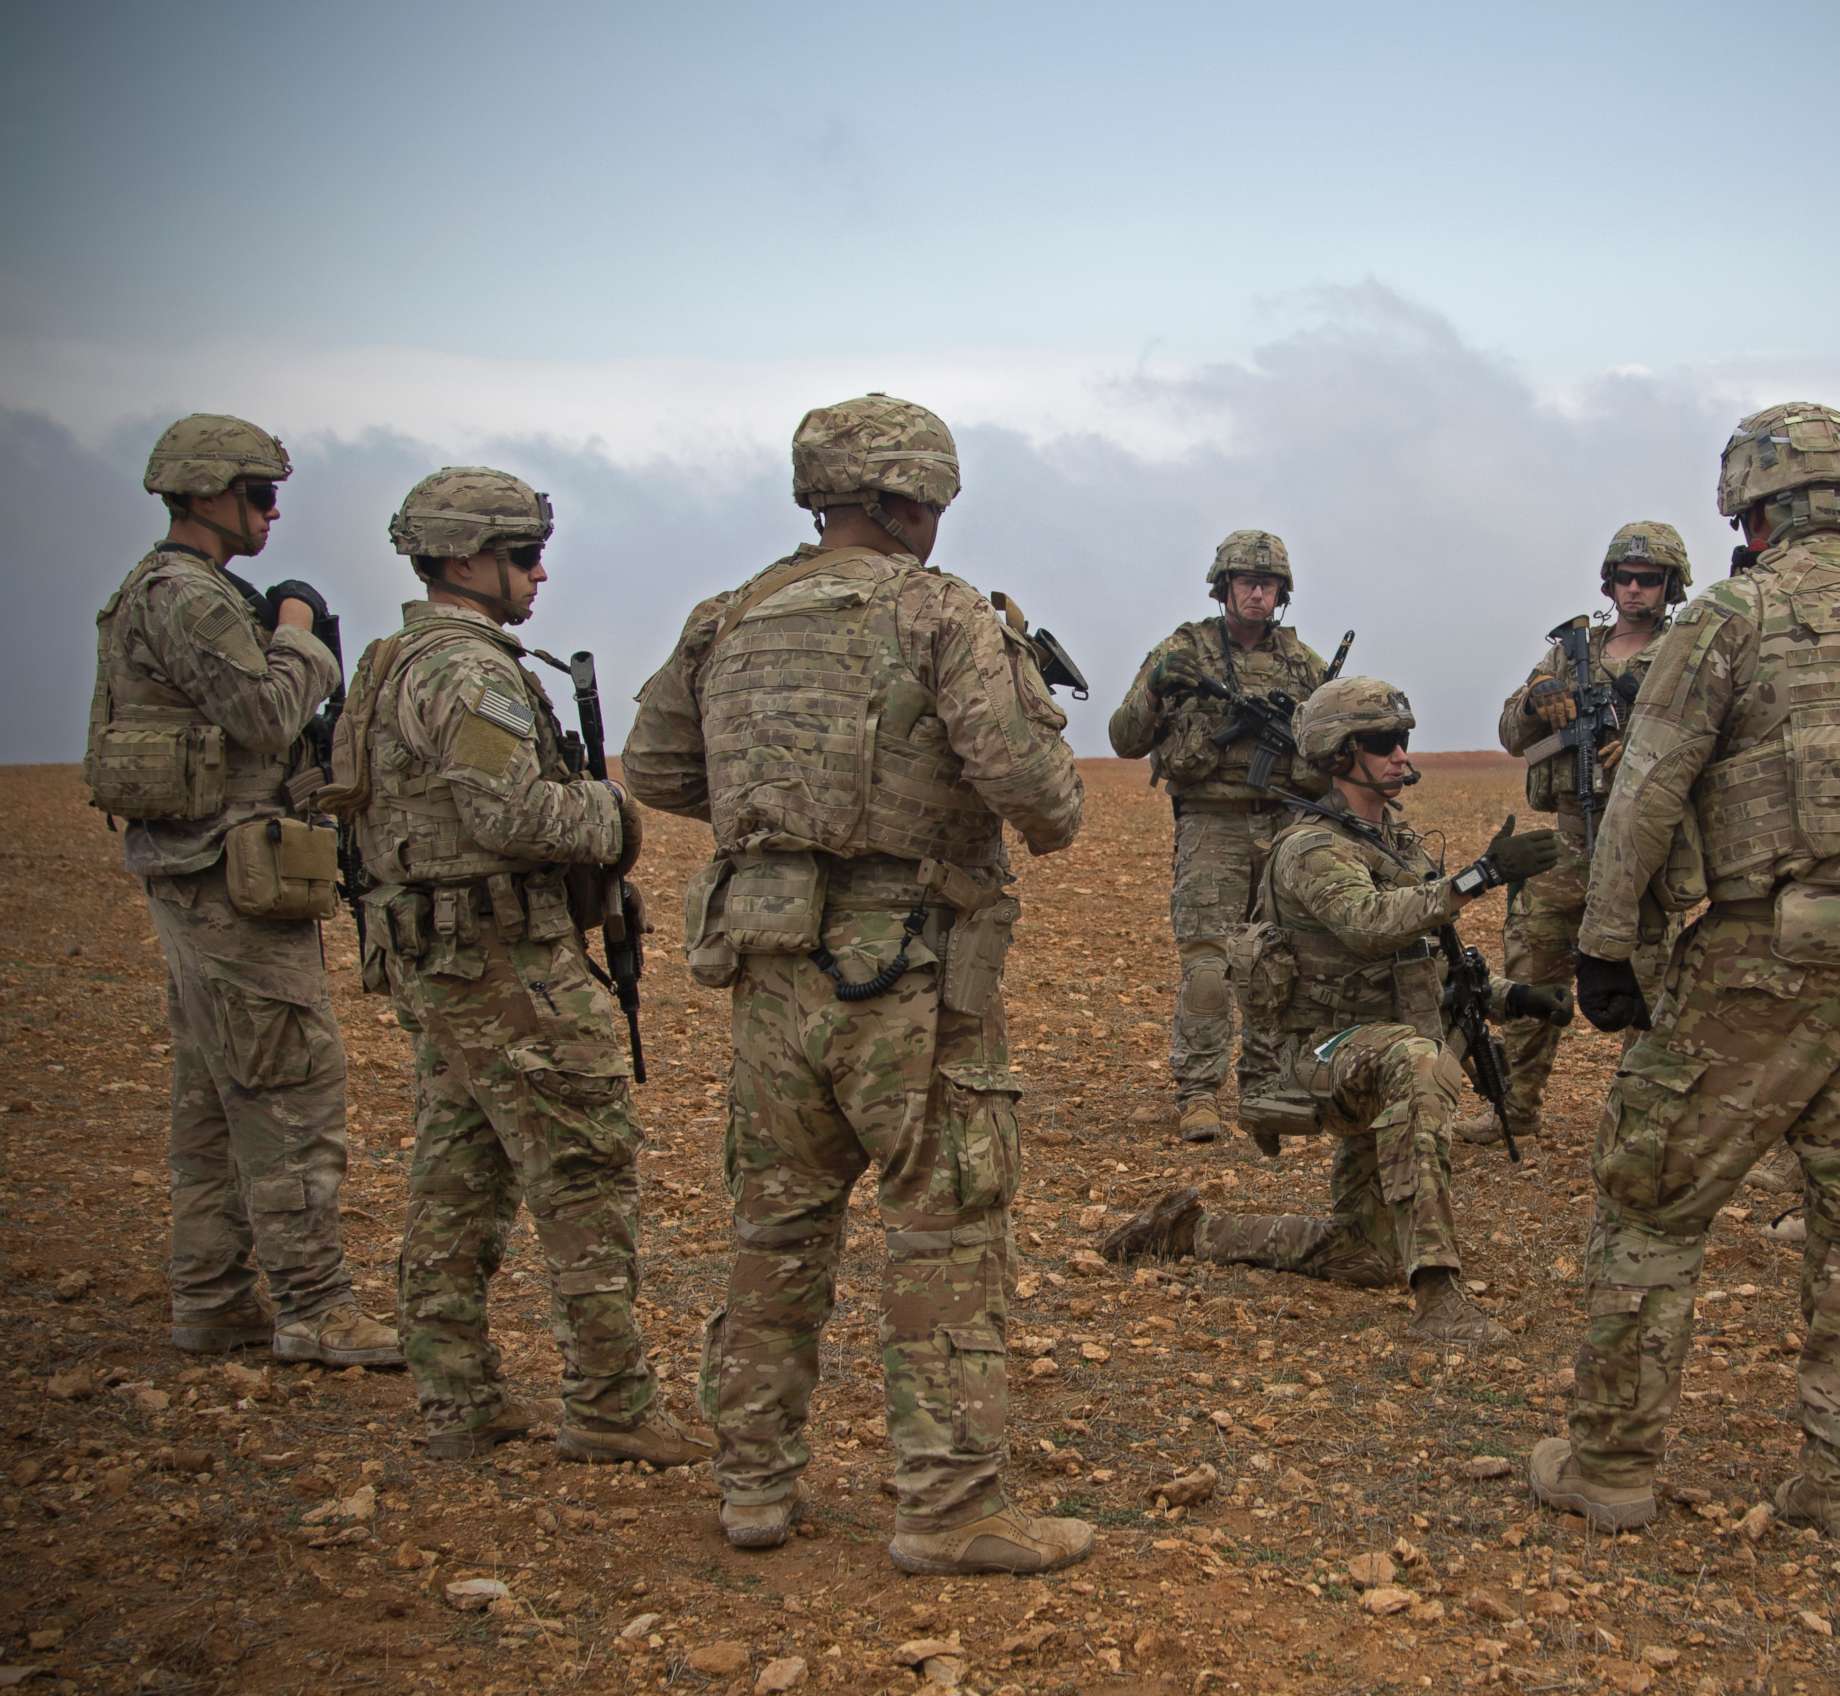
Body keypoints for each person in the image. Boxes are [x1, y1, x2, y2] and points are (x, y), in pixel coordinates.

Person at [1527, 402, 1840, 1540]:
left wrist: (1604, 943)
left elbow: (1649, 786)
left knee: (1653, 1198)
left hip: (1768, 954)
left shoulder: (1732, 617)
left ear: (1752, 510)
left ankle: (1609, 1465)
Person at [624, 394, 1095, 1570]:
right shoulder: (939, 613)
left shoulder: (726, 619)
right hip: (910, 975)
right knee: (942, 1227)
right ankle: (947, 1509)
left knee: (774, 1228)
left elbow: (656, 767)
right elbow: (1033, 791)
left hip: (772, 974)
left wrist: (774, 823)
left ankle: (754, 1493)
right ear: (906, 500)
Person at [329, 466, 710, 1467]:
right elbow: (515, 812)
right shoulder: (466, 672)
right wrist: (613, 814)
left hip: (446, 957)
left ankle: (458, 1399)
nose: (539, 575)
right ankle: (610, 1401)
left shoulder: (397, 662)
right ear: (464, 558)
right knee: (583, 1166)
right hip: (502, 964)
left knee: (461, 1168)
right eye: (521, 555)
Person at [1097, 677, 1567, 1348]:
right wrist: (1480, 876)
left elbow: (1425, 958)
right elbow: (1369, 923)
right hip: (1313, 1054)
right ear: (1338, 754)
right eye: (1381, 743)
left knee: (1363, 1256)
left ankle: (1188, 1231)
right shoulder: (1311, 849)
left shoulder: (1395, 843)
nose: (1400, 754)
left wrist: (1512, 998)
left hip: (1366, 1045)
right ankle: (1439, 1299)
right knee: (1421, 1062)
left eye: (1402, 740)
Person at [84, 412, 400, 1370]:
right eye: (259, 494)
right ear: (208, 492)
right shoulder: (190, 597)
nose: (269, 513)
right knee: (288, 1085)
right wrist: (302, 635)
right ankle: (313, 1307)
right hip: (230, 874)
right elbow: (263, 712)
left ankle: (213, 1299)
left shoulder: (160, 590)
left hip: (201, 869)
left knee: (213, 1097)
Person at [1455, 521, 1685, 1149]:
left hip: (1640, 842)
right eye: (1625, 578)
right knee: (1533, 970)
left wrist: (1642, 752)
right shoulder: (1569, 652)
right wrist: (1537, 700)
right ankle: (1517, 1105)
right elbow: (1509, 733)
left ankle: (1641, 1122)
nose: (1636, 589)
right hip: (1566, 840)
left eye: (1650, 579)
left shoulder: (1684, 651)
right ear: (1609, 582)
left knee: (1649, 985)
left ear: (1671, 587)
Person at [1107, 532, 1331, 1145]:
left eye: (1268, 583)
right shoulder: (1184, 650)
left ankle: (1266, 1085)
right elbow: (1124, 737)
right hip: (1211, 821)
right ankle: (1199, 1093)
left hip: (1285, 822)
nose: (1257, 591)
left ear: (1282, 592)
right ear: (1223, 586)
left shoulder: (1305, 665)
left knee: (1277, 959)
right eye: (1245, 581)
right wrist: (1156, 686)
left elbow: (1334, 749)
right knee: (1208, 963)